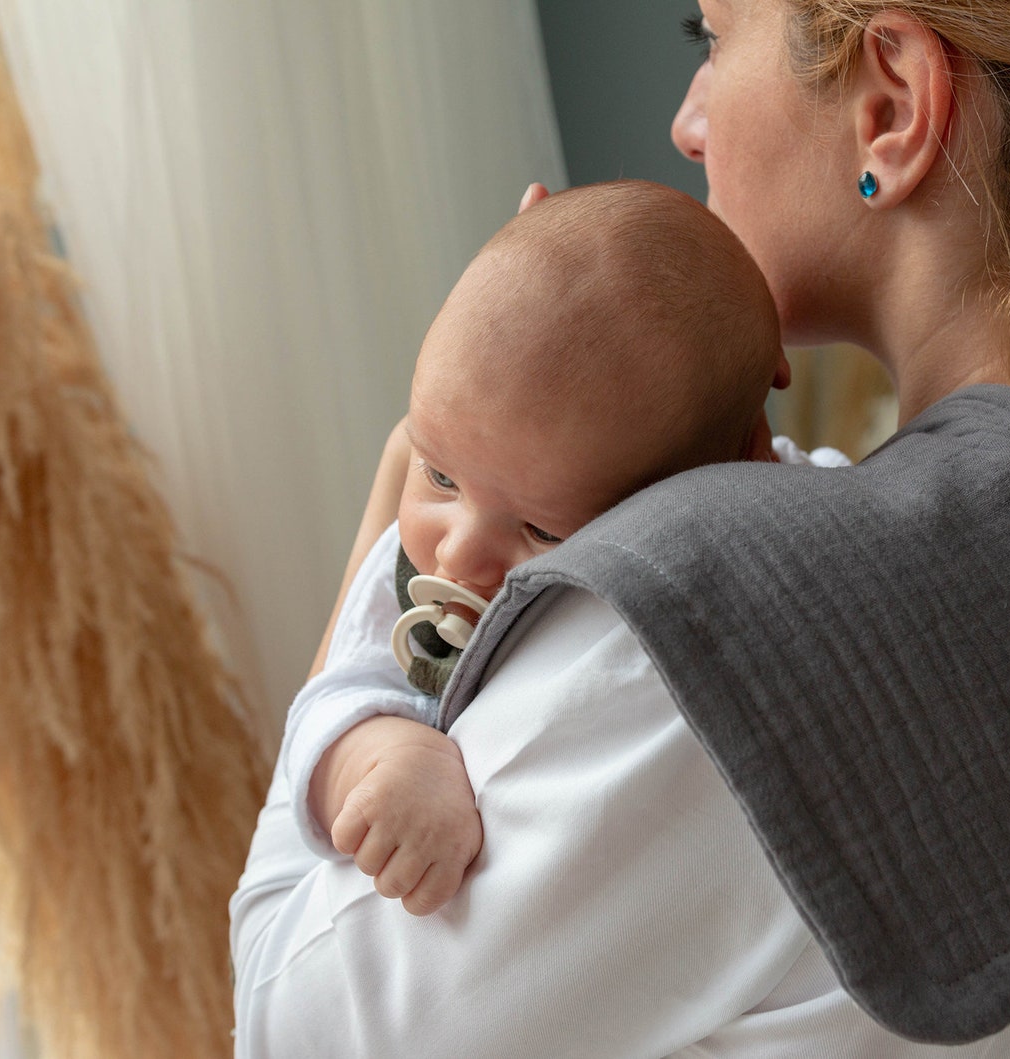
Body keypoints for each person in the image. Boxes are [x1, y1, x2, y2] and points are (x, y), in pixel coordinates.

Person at [231, 1, 1010, 1055]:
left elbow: (290, 1025)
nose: (687, 122)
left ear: (893, 106)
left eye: (710, 38)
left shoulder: (710, 645)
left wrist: (399, 530)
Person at [279, 179, 847, 916]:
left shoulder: (804, 506)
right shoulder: (406, 579)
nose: (458, 553)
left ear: (727, 474)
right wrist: (386, 754)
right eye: (439, 475)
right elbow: (327, 708)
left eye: (542, 530)